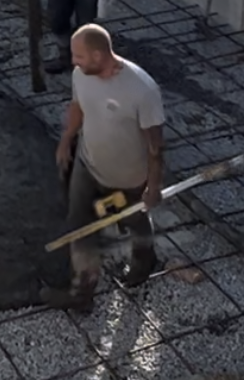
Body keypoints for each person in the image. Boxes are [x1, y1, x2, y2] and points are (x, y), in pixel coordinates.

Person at [54, 24, 164, 298]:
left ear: (98, 56)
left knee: (134, 220)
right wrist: (67, 139)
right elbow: (78, 106)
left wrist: (153, 185)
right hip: (88, 164)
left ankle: (144, 260)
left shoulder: (142, 90)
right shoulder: (81, 74)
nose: (73, 62)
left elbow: (155, 146)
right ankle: (83, 289)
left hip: (128, 177)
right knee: (80, 222)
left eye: (78, 56)